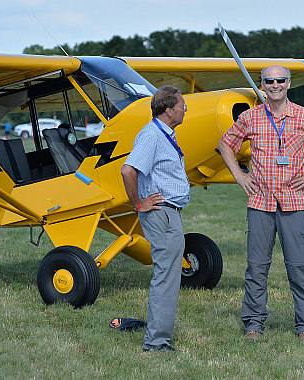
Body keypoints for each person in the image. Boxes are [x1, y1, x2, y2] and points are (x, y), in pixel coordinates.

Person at [218, 65, 304, 344]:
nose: (275, 85)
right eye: (269, 81)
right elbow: (225, 143)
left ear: (289, 83)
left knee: (299, 266)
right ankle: (253, 322)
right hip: (260, 201)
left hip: (295, 202)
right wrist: (239, 175)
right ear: (262, 84)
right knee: (257, 266)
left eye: (280, 80)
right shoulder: (250, 117)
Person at [121, 85, 189, 352]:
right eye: (183, 105)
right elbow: (129, 171)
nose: (185, 109)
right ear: (169, 110)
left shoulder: (164, 134)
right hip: (162, 213)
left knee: (169, 273)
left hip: (169, 213)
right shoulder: (152, 136)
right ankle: (156, 342)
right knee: (167, 275)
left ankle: (158, 337)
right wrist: (138, 203)